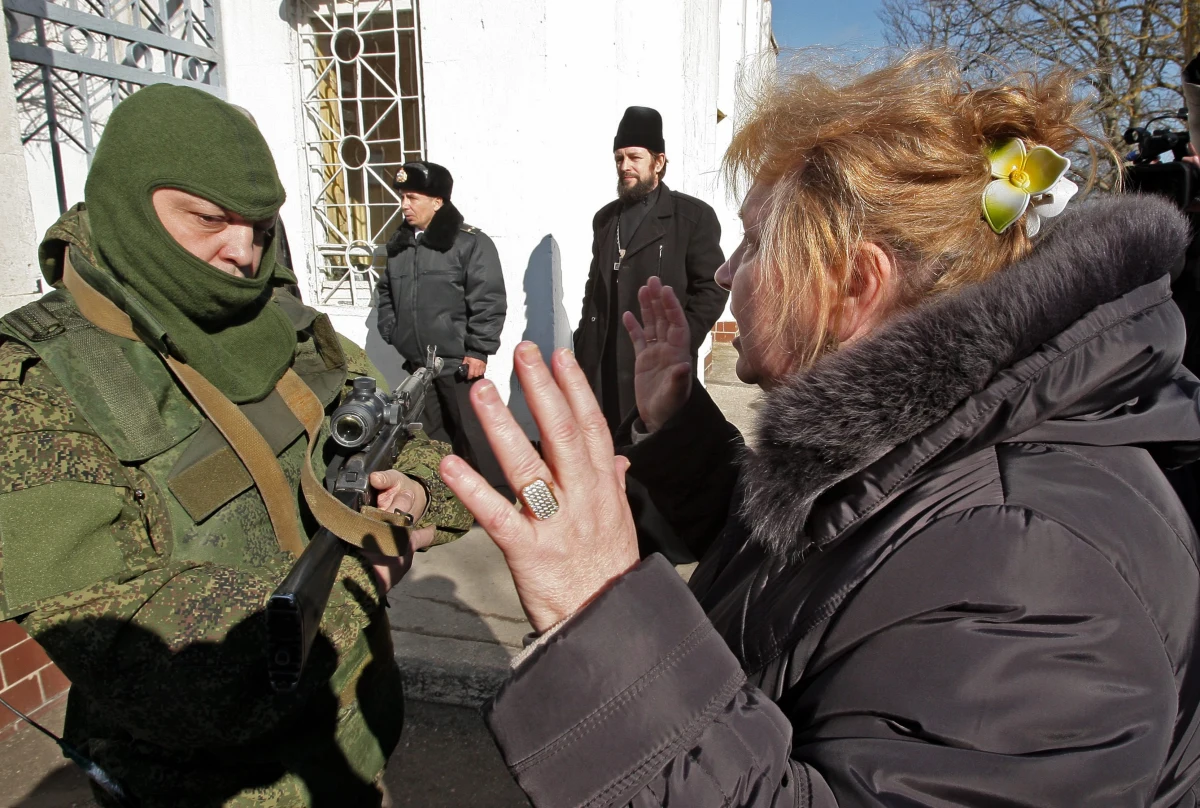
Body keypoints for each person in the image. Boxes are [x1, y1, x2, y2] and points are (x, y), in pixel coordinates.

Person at [441, 53, 1200, 805]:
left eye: (754, 244)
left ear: (854, 285)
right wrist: (679, 426)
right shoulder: (936, 440)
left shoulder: (1033, 577)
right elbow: (813, 577)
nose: (727, 274)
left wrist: (602, 621)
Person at [0, 85, 471, 807]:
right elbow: (128, 641)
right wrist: (363, 582)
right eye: (210, 219)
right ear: (129, 198)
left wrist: (413, 498)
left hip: (352, 744)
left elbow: (408, 443)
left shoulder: (288, 324)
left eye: (259, 225)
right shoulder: (35, 379)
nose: (243, 253)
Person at [574, 106, 727, 430]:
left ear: (658, 162)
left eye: (634, 157)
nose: (624, 166)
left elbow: (712, 287)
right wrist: (582, 341)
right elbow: (593, 287)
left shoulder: (691, 217)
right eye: (619, 158)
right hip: (600, 363)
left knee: (651, 458)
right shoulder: (604, 219)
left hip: (655, 363)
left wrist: (680, 342)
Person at [375, 161, 507, 483]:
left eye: (413, 198)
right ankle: (443, 503)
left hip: (458, 365)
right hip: (419, 367)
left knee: (475, 438)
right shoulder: (400, 247)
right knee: (431, 441)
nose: (404, 205)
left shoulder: (469, 243)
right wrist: (393, 331)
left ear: (438, 202)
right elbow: (385, 294)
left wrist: (478, 350)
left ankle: (498, 505)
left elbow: (488, 298)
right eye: (403, 197)